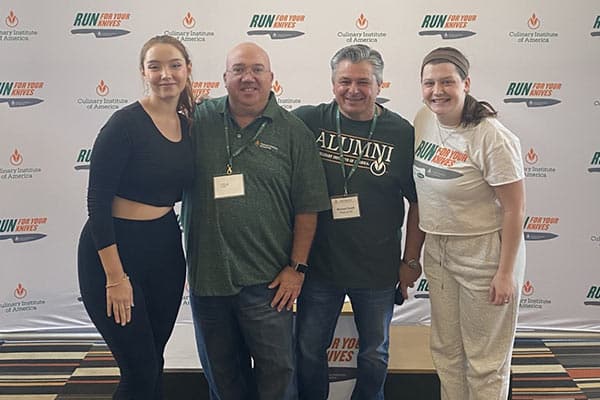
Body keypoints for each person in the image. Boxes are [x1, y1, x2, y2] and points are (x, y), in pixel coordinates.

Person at [181, 42, 330, 400]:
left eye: (257, 69)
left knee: (277, 376)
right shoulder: (197, 121)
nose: (248, 77)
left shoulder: (294, 133)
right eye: (239, 69)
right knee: (222, 376)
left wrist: (297, 268)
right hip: (208, 279)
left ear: (272, 77)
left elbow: (308, 208)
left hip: (269, 285)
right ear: (225, 77)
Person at [293, 44, 425, 400]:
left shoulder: (401, 133)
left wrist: (411, 260)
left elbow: (419, 202)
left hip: (378, 270)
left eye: (363, 82)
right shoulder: (309, 121)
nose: (353, 90)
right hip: (319, 266)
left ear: (380, 85)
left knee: (374, 353)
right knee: (307, 350)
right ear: (333, 83)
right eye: (344, 81)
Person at [77, 35, 194, 399]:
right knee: (139, 371)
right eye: (155, 66)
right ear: (143, 72)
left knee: (152, 362)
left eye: (174, 65)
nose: (166, 74)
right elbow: (97, 202)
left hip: (164, 251)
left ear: (188, 70)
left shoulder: (190, 126)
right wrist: (115, 277)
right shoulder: (124, 124)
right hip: (114, 254)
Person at [414, 47, 526, 399]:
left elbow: (514, 210)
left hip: (484, 252)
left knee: (485, 360)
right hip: (439, 251)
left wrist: (505, 273)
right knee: (446, 353)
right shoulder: (423, 119)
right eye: (429, 82)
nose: (438, 90)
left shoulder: (490, 136)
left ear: (466, 83)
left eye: (447, 81)